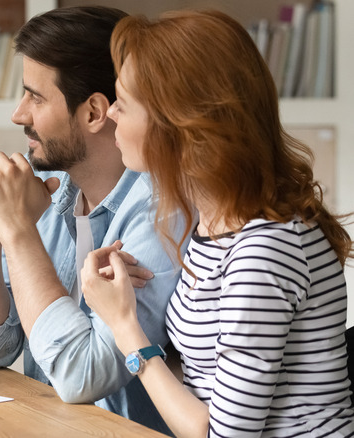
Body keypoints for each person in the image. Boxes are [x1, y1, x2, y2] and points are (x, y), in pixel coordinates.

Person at [82, 10, 354, 437]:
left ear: (181, 127)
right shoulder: (214, 226)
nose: (112, 113)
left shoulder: (264, 250)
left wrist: (123, 325)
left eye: (124, 103)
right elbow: (206, 378)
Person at [0, 6, 187, 433]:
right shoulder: (46, 186)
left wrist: (18, 233)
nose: (18, 114)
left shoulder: (163, 211)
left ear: (94, 112)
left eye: (35, 97)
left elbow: (84, 375)